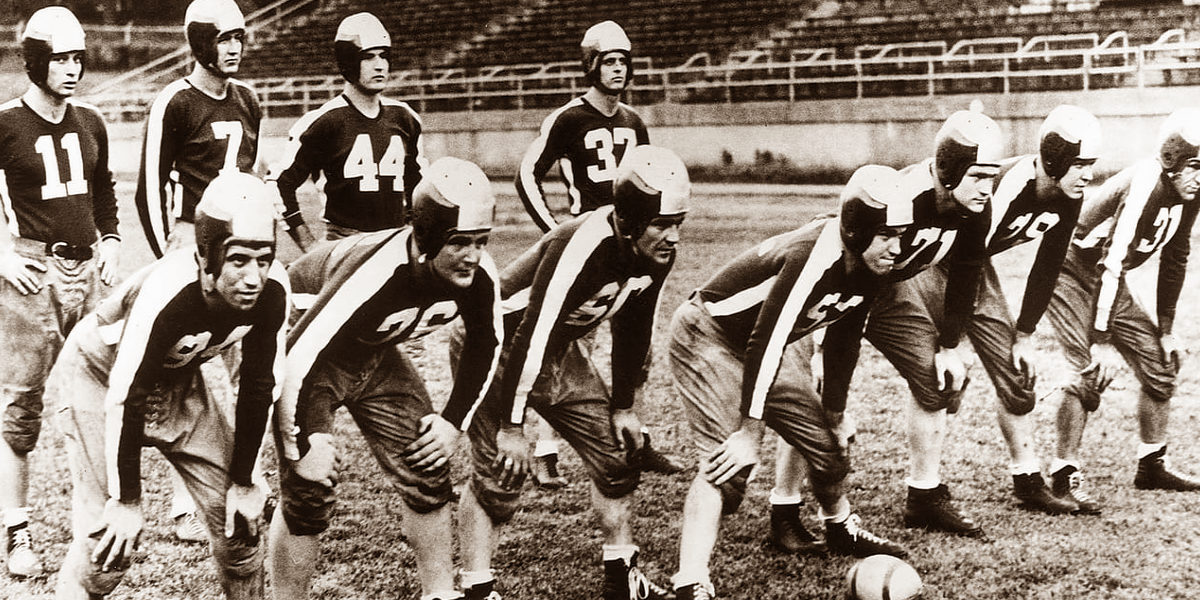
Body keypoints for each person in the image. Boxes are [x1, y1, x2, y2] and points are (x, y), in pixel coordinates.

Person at [669, 166, 912, 600]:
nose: (897, 247)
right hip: (709, 332)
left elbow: (844, 337)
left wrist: (834, 411)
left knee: (828, 445)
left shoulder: (875, 263)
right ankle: (690, 580)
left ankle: (839, 527)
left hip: (766, 343)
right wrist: (748, 430)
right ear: (856, 230)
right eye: (887, 234)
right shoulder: (814, 253)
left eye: (902, 234)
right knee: (728, 463)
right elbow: (767, 337)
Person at [455, 145, 686, 600]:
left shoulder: (655, 251)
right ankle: (477, 588)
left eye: (677, 223)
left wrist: (623, 406)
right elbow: (529, 334)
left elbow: (634, 328)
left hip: (556, 348)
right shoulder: (581, 243)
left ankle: (622, 578)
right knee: (499, 475)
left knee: (617, 457)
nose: (672, 236)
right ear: (631, 219)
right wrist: (512, 424)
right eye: (661, 224)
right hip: (496, 345)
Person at [267, 157, 502, 600]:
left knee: (427, 462)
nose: (473, 255)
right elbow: (299, 355)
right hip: (304, 346)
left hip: (374, 347)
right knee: (308, 489)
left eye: (480, 241)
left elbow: (485, 343)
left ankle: (439, 592)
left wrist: (453, 422)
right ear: (427, 237)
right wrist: (302, 441)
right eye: (459, 242)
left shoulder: (478, 273)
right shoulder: (375, 272)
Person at [49, 172, 287, 600]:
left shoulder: (273, 291)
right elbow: (127, 392)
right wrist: (125, 501)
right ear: (206, 258)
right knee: (106, 547)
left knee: (241, 532)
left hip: (178, 380)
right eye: (238, 260)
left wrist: (246, 480)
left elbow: (259, 384)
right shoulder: (169, 290)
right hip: (99, 377)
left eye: (263, 259)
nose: (254, 277)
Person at [514, 20, 679, 484]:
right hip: (588, 252)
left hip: (632, 252)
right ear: (590, 66)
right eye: (609, 61)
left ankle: (636, 438)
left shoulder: (633, 121)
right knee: (566, 348)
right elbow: (528, 174)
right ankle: (546, 452)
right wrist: (555, 232)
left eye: (623, 62)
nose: (618, 70)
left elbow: (650, 179)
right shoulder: (568, 118)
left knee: (636, 347)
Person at [134, 0, 264, 542]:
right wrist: (170, 256)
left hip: (244, 249)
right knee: (184, 369)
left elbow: (253, 177)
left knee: (250, 367)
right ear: (199, 42)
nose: (233, 47)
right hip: (192, 242)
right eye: (223, 38)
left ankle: (249, 478)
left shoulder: (251, 100)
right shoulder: (175, 101)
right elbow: (147, 187)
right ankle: (185, 497)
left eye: (239, 38)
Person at [0, 6, 121, 578]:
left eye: (77, 58)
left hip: (88, 273)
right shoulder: (5, 123)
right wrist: (1, 256)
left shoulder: (91, 121)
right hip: (32, 274)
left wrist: (114, 239)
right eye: (60, 58)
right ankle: (16, 528)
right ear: (35, 62)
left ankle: (98, 517)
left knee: (100, 395)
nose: (71, 69)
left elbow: (104, 189)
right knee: (20, 408)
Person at [1044, 107, 1200, 512]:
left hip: (1108, 278)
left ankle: (1152, 463)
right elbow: (1109, 263)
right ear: (1172, 160)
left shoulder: (1189, 192)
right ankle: (1063, 473)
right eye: (1197, 166)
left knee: (1160, 363)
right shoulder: (1147, 183)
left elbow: (1177, 255)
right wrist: (1101, 340)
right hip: (1071, 271)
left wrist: (1166, 327)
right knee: (1088, 370)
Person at [858, 110, 1002, 537]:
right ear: (948, 171)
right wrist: (827, 345)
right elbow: (853, 261)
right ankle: (786, 504)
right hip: (845, 282)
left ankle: (923, 495)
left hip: (891, 287)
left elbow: (967, 271)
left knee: (934, 380)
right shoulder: (907, 196)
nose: (985, 188)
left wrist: (951, 346)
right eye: (977, 175)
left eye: (991, 177)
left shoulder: (977, 207)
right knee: (821, 391)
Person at [956, 105, 1102, 515]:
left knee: (1015, 372)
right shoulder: (1009, 185)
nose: (1088, 174)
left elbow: (1048, 264)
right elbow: (963, 255)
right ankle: (924, 489)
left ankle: (1027, 479)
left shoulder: (1068, 195)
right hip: (936, 258)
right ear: (1054, 161)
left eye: (1091, 164)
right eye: (1080, 164)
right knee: (938, 378)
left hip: (972, 264)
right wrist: (950, 337)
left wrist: (1024, 333)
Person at [270, 11, 427, 252]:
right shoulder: (323, 122)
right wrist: (310, 246)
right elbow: (278, 184)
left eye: (384, 56)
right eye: (368, 57)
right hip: (345, 245)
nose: (379, 65)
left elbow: (419, 187)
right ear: (348, 61)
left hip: (396, 244)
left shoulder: (405, 118)